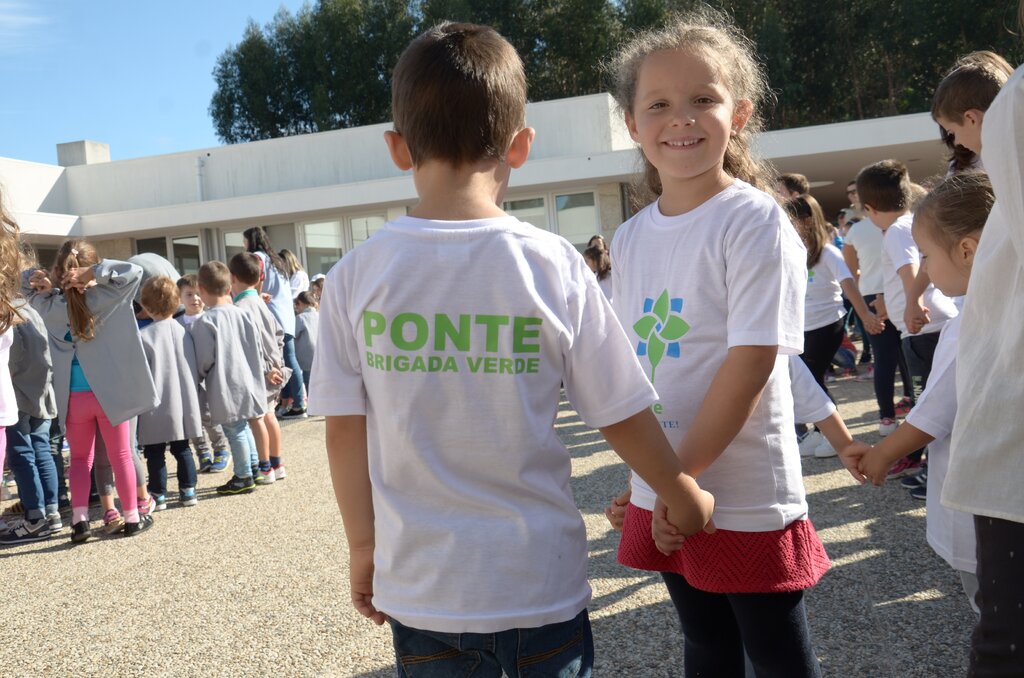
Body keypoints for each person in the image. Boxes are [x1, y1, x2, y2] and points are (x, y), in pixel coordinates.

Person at [310, 22, 714, 676]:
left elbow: (342, 432)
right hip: (539, 584)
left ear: (397, 147)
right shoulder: (551, 263)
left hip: (421, 586)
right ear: (521, 145)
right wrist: (680, 490)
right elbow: (618, 408)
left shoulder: (355, 274)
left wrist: (364, 545)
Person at [607, 10, 827, 676]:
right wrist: (646, 480)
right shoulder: (630, 235)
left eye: (704, 99)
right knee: (702, 640)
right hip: (667, 483)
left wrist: (682, 480)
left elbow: (753, 360)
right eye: (660, 104)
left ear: (740, 114)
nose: (682, 118)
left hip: (741, 488)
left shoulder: (755, 221)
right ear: (632, 125)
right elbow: (633, 369)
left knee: (774, 649)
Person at [848, 172, 993, 614]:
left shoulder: (969, 325)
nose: (924, 269)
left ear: (966, 251)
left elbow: (934, 414)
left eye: (927, 256)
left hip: (978, 507)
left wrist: (882, 454)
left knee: (991, 608)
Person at [944, 40, 1024, 675]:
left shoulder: (1014, 109)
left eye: (957, 136)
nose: (966, 154)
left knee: (1005, 637)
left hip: (1014, 430)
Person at [25, 240, 158, 541]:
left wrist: (35, 278)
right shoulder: (110, 296)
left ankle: (80, 520)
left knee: (81, 459)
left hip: (72, 397)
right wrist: (96, 272)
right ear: (88, 266)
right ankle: (132, 517)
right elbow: (134, 271)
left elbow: (23, 290)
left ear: (59, 272)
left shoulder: (50, 305)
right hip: (109, 395)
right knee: (121, 454)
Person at [857, 160, 958, 482]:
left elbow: (911, 269)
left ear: (868, 208)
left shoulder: (896, 231)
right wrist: (895, 301)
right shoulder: (911, 224)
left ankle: (925, 466)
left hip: (923, 328)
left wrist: (911, 303)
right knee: (928, 397)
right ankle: (922, 461)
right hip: (928, 324)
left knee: (923, 399)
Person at [783, 194, 882, 456]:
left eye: (791, 218)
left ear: (807, 219)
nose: (787, 223)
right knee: (807, 381)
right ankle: (818, 433)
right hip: (802, 327)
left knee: (814, 380)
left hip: (828, 324)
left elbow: (848, 285)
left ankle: (835, 437)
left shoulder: (828, 252)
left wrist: (866, 316)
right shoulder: (794, 250)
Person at [190, 261, 268, 496]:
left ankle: (243, 475)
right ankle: (253, 467)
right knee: (244, 425)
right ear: (229, 285)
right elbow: (257, 346)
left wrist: (198, 374)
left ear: (201, 290)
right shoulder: (243, 314)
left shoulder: (206, 321)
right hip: (249, 377)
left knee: (234, 429)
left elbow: (205, 358)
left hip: (225, 382)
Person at [843, 180, 912, 435]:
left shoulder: (856, 231)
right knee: (908, 355)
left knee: (885, 358)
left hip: (872, 296)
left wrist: (863, 296)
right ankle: (912, 404)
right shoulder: (909, 223)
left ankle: (886, 418)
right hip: (905, 291)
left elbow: (849, 272)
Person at [137, 276, 203, 509]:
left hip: (156, 401)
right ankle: (188, 489)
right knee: (182, 447)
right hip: (183, 400)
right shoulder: (184, 330)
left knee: (154, 451)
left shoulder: (144, 336)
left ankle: (159, 493)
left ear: (146, 305)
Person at [1, 294, 61, 544]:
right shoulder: (30, 308)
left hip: (18, 393)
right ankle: (52, 511)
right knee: (42, 450)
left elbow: (11, 358)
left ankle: (35, 517)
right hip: (41, 391)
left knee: (22, 454)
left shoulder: (8, 312)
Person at [229, 253, 288, 482]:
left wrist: (265, 368)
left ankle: (265, 467)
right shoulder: (262, 303)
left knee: (258, 418)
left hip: (259, 371)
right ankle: (277, 463)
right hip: (275, 367)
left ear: (232, 277)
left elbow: (251, 342)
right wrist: (278, 364)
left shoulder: (241, 306)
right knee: (270, 415)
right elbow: (278, 334)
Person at [243, 227, 305, 418]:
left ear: (251, 241)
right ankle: (289, 401)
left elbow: (256, 281)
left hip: (271, 314)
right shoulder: (277, 259)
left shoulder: (257, 258)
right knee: (286, 358)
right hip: (286, 315)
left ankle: (299, 402)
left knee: (284, 359)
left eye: (244, 241)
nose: (243, 245)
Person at [176, 274, 231, 473]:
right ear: (179, 298)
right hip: (186, 379)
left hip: (208, 377)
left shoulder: (209, 319)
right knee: (191, 417)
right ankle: (202, 451)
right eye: (189, 294)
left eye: (198, 294)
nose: (195, 299)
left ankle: (221, 448)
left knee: (208, 416)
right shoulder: (177, 324)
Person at [293, 291, 318, 395]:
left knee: (309, 385)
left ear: (302, 303)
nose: (296, 307)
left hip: (307, 359)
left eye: (297, 304)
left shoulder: (301, 318)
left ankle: (312, 408)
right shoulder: (319, 315)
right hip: (321, 356)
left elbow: (293, 334)